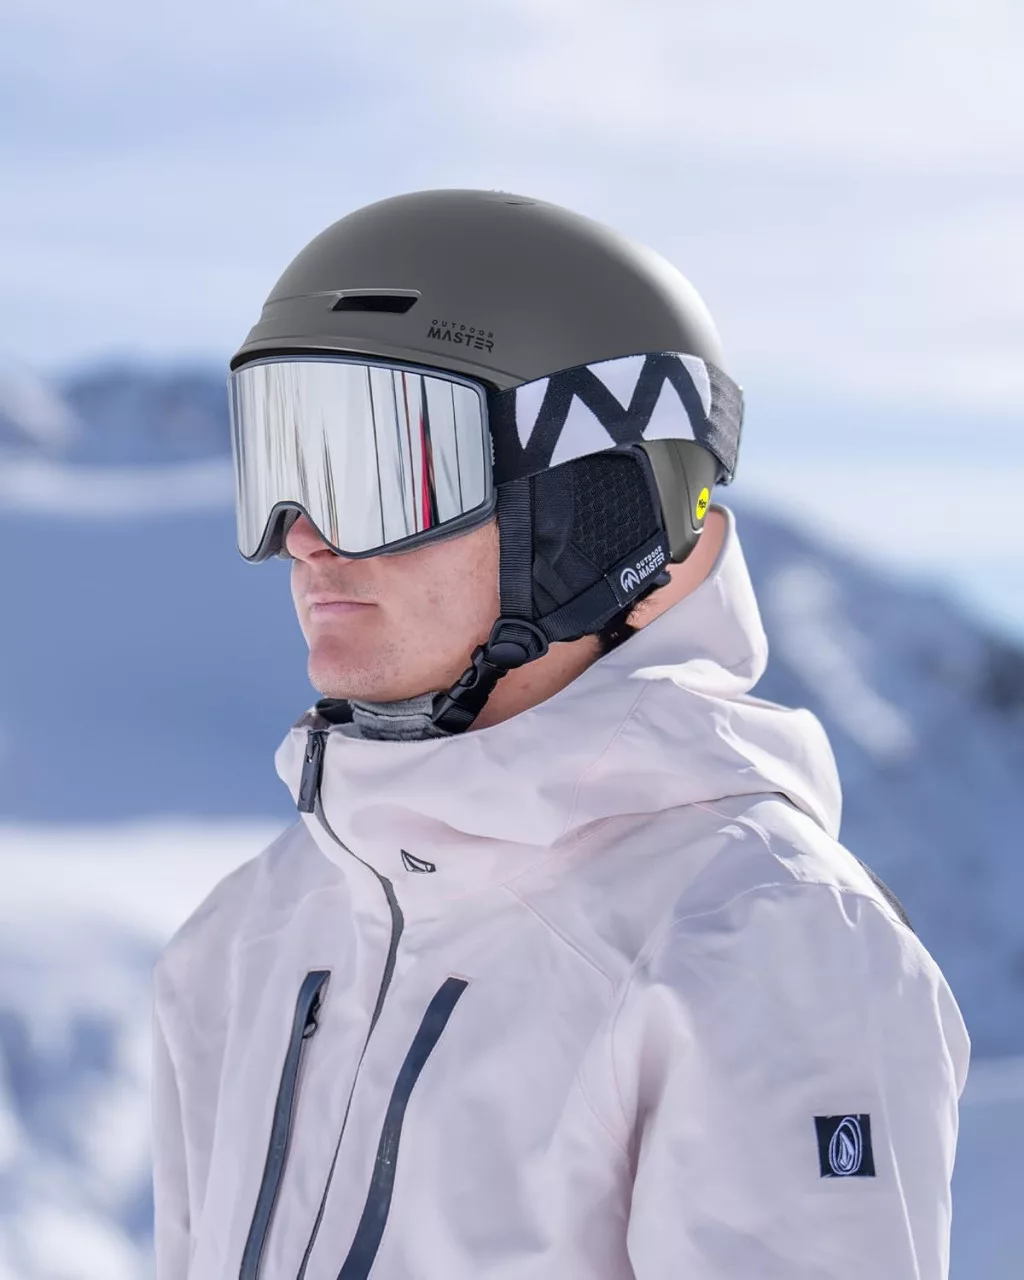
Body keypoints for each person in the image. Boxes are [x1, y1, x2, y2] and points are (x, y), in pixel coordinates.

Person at [151, 189, 969, 1280]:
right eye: (282, 459)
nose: (302, 535)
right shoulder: (247, 935)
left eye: (382, 466)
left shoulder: (761, 941)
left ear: (593, 511)